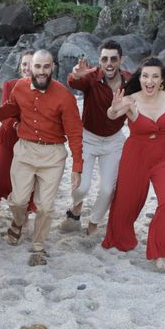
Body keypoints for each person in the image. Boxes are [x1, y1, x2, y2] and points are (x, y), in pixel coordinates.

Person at [0, 49, 83, 266]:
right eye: (37, 66)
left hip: (53, 155)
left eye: (46, 67)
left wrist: (77, 166)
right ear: (30, 67)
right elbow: (10, 110)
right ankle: (18, 221)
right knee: (18, 200)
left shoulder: (64, 96)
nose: (41, 71)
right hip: (24, 150)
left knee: (45, 206)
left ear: (52, 67)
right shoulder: (20, 87)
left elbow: (74, 133)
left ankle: (38, 244)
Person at [102, 57, 165, 272]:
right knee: (126, 202)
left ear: (162, 81)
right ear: (140, 78)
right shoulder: (130, 100)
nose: (149, 81)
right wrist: (114, 109)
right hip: (136, 156)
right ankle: (121, 238)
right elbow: (112, 114)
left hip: (164, 156)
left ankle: (159, 251)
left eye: (154, 76)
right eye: (145, 76)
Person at [58, 40, 131, 235]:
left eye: (113, 59)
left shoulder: (130, 81)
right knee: (81, 187)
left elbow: (154, 86)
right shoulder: (91, 77)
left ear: (120, 60)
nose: (109, 63)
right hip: (88, 138)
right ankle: (76, 207)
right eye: (104, 59)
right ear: (99, 60)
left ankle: (93, 225)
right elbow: (73, 82)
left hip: (114, 140)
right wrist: (76, 74)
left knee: (108, 190)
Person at [0, 50, 34, 217]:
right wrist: (16, 124)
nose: (27, 68)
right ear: (20, 67)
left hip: (29, 140)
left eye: (30, 64)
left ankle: (24, 212)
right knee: (0, 174)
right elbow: (4, 113)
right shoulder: (10, 85)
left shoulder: (42, 88)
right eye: (24, 64)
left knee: (25, 179)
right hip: (7, 136)